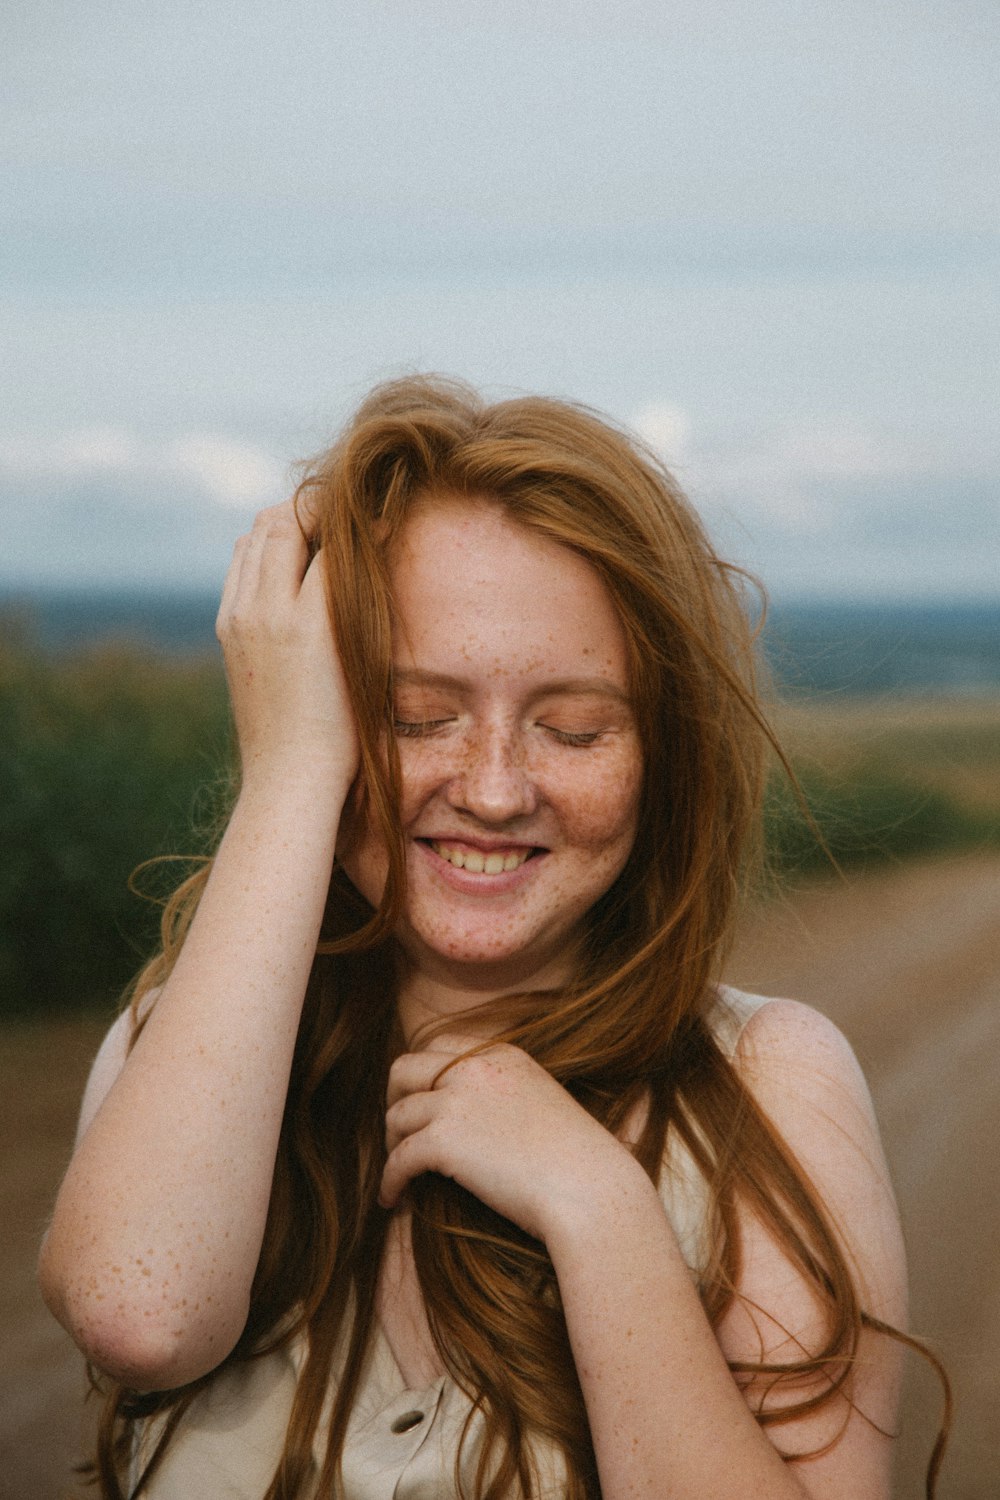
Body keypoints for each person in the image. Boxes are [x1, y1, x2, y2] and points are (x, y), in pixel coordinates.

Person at [40, 375, 934, 1499]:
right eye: (417, 717)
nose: (496, 790)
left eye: (572, 728)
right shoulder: (180, 1050)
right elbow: (141, 1311)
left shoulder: (765, 1086)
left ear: (663, 757)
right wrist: (291, 777)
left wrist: (596, 1206)